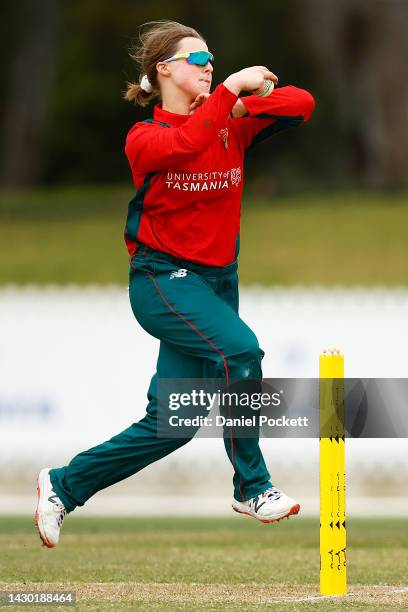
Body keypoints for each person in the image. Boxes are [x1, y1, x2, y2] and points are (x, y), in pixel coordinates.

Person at [35, 20, 315, 548]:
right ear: (162, 70)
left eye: (213, 60)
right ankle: (253, 486)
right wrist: (232, 88)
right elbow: (187, 143)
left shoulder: (231, 123)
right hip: (163, 282)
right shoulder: (145, 137)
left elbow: (301, 105)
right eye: (198, 58)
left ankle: (63, 486)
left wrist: (242, 103)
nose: (210, 66)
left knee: (172, 424)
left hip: (215, 284)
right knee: (242, 351)